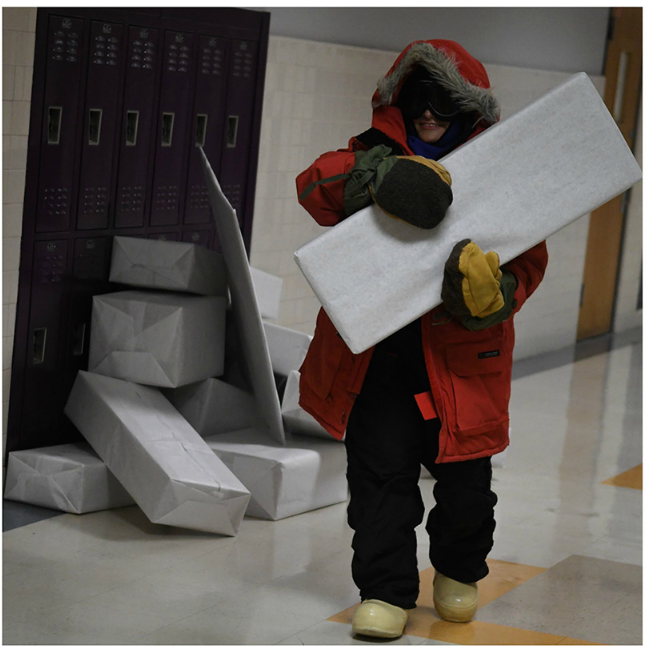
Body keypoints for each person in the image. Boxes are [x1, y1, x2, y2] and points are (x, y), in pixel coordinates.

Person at [295, 39, 548, 639]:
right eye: (418, 102)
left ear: (467, 110)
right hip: (378, 360)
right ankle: (385, 592)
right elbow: (313, 186)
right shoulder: (367, 153)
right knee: (378, 481)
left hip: (463, 361)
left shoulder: (497, 175)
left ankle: (459, 574)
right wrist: (378, 177)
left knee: (466, 487)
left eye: (444, 104)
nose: (429, 114)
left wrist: (498, 294)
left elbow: (531, 257)